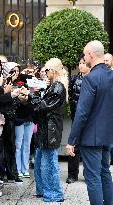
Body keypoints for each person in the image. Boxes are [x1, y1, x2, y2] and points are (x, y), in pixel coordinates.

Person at [66, 40, 113, 205]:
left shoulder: (90, 78)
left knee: (93, 177)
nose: (84, 57)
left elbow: (82, 112)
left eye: (85, 54)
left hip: (91, 137)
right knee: (105, 173)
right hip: (107, 135)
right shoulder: (111, 75)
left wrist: (71, 140)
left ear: (91, 55)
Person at [27, 58, 68, 202]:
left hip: (50, 131)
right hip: (45, 129)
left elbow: (41, 107)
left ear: (53, 71)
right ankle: (44, 190)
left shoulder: (58, 87)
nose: (44, 72)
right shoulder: (53, 86)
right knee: (40, 162)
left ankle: (54, 193)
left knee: (49, 163)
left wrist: (32, 95)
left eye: (46, 70)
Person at [66, 53, 90, 184]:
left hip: (90, 120)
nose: (81, 65)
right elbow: (70, 97)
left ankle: (88, 174)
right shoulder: (74, 79)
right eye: (80, 63)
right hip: (76, 118)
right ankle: (72, 174)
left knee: (88, 147)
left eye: (83, 63)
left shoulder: (93, 79)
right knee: (73, 146)